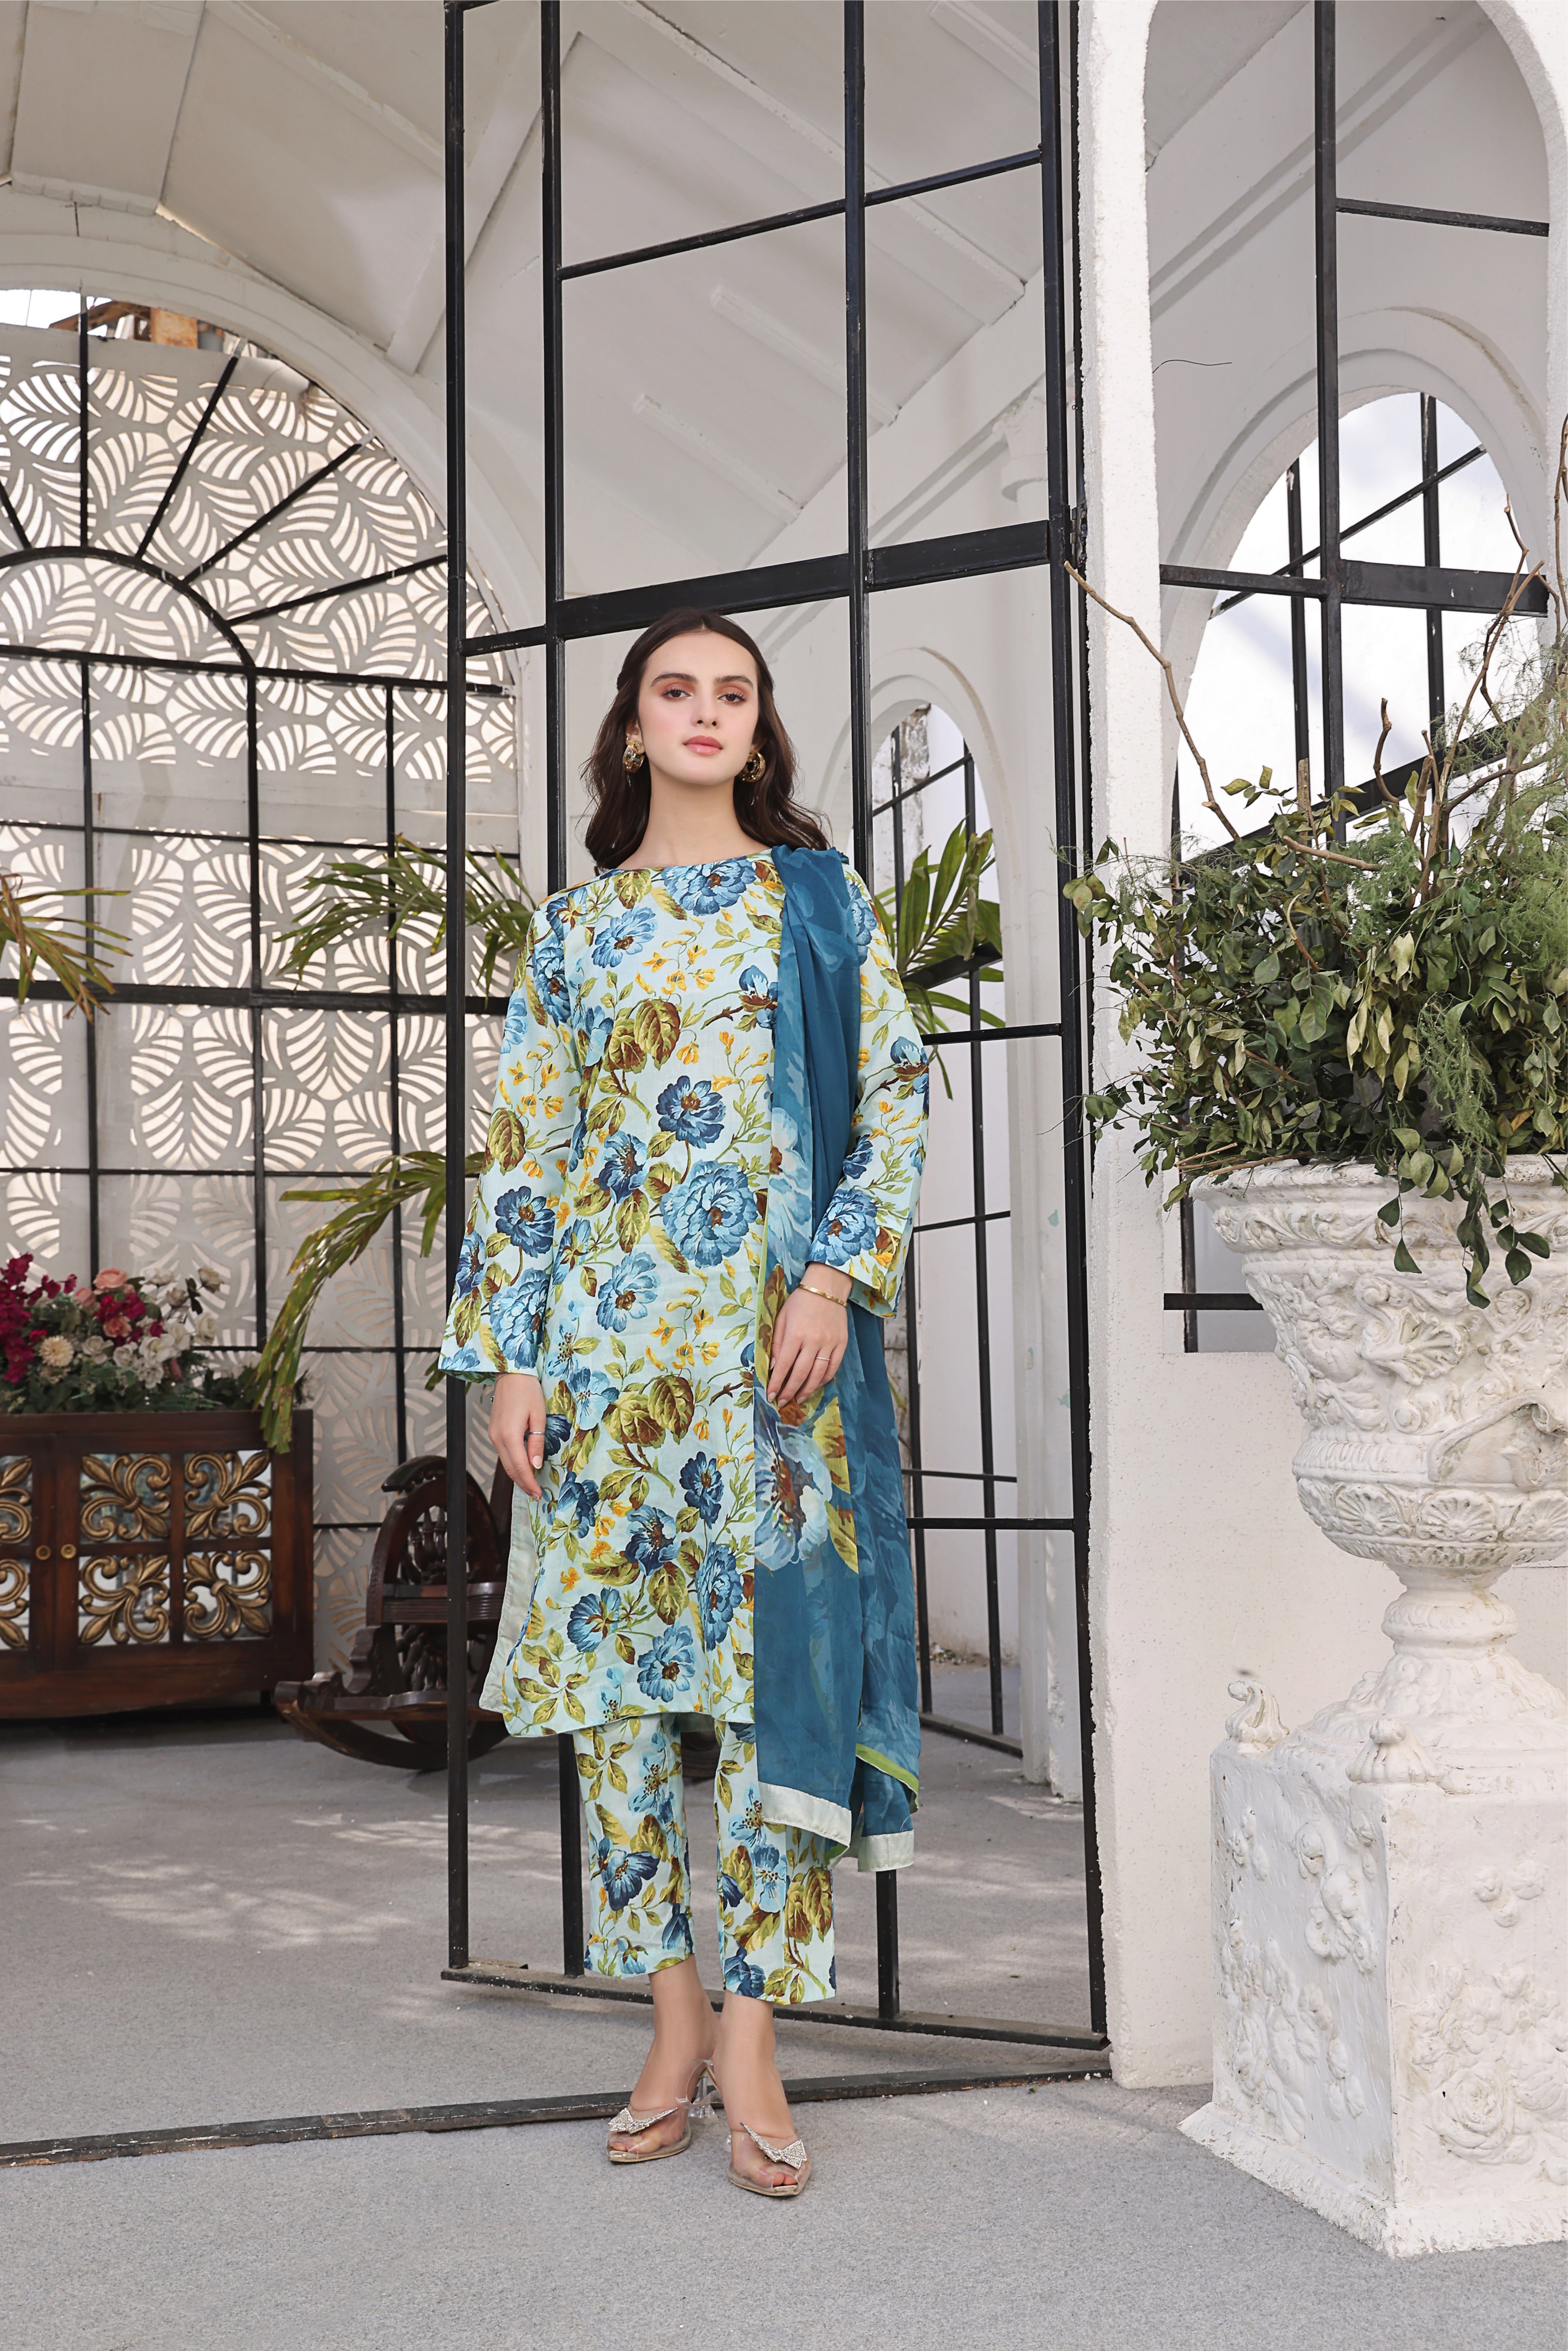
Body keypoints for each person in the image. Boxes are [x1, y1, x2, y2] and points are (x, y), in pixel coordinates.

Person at [439, 607, 928, 2196]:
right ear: (634, 726)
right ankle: (667, 2020)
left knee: (785, 1693)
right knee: (621, 1702)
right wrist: (516, 1359)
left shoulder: (818, 900)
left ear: (758, 728)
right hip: (605, 1366)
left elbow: (897, 1091)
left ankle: (754, 2035)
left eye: (733, 692)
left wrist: (831, 1280)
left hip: (775, 1373)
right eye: (676, 690)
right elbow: (528, 1154)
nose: (705, 712)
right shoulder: (573, 934)